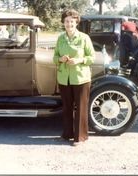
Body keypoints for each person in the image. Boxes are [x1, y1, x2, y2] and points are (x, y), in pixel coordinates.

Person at [53, 9, 95, 146]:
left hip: (81, 78)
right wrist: (60, 58)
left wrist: (79, 60)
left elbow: (92, 58)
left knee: (81, 108)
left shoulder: (84, 38)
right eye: (66, 21)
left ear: (76, 22)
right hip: (64, 78)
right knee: (67, 107)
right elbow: (54, 58)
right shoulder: (60, 38)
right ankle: (67, 135)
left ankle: (80, 137)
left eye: (72, 21)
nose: (69, 24)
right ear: (63, 23)